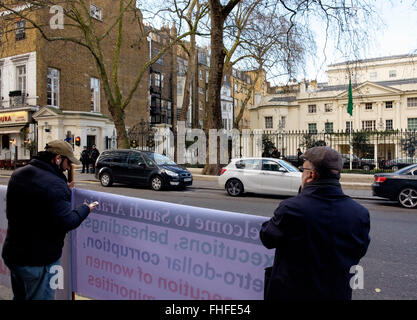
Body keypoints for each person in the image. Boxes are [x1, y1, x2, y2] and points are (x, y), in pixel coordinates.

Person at [260, 146, 370, 300]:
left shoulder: (292, 208)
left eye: (302, 170)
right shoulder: (360, 213)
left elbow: (267, 237)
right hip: (336, 293)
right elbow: (359, 250)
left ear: (310, 175)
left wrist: (301, 196)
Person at [1, 140, 97, 300]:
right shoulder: (54, 184)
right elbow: (67, 221)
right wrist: (86, 209)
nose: (68, 168)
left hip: (14, 255)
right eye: (68, 163)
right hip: (39, 261)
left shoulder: (20, 173)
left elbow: (36, 202)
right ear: (58, 159)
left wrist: (62, 190)